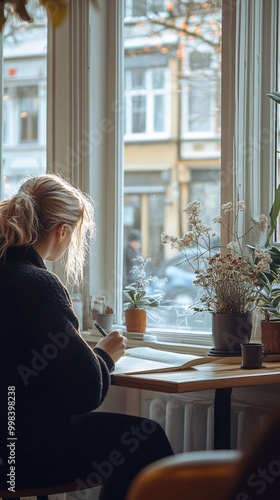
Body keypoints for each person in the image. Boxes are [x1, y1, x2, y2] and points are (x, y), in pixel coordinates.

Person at [0, 174, 173, 500]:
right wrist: (105, 354)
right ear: (62, 230)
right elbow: (84, 393)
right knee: (145, 437)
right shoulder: (36, 284)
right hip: (22, 456)